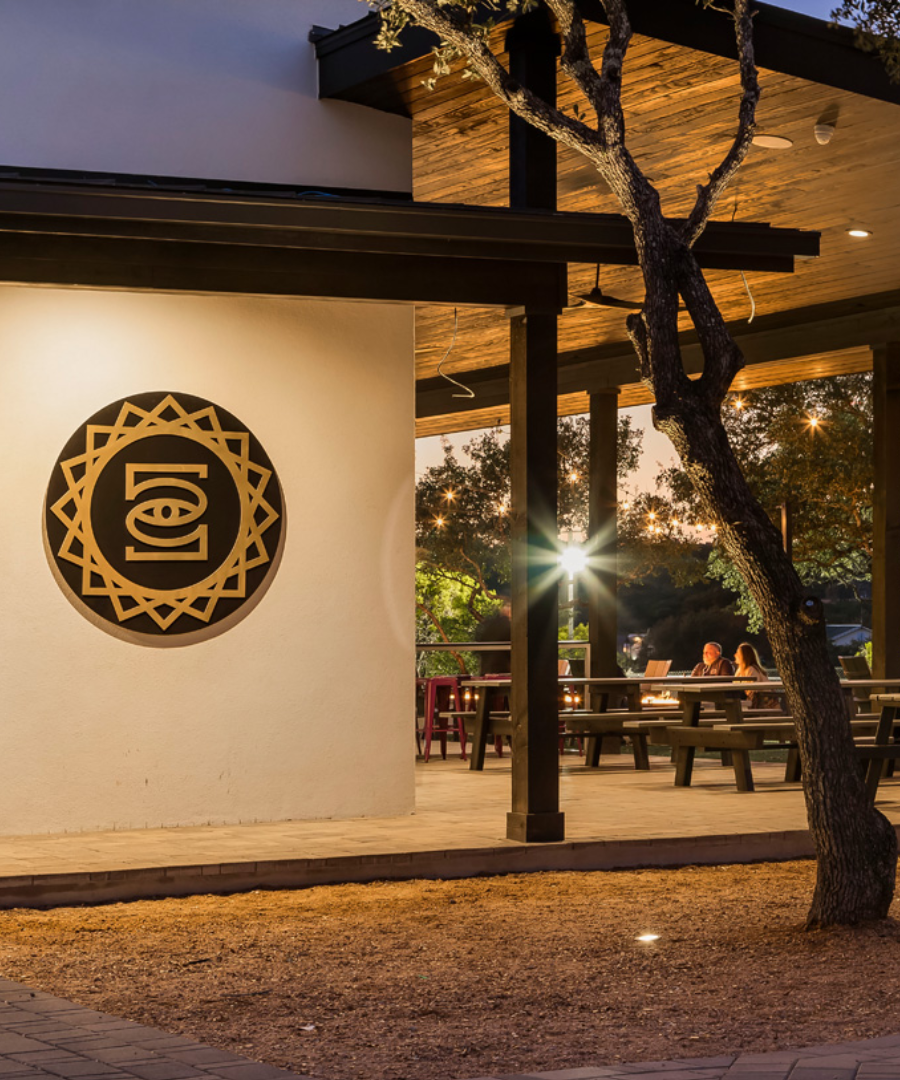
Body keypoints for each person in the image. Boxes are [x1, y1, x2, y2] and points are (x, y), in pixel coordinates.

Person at [734, 642, 780, 710]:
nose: (735, 655)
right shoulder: (740, 670)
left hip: (763, 703)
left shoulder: (751, 669)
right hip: (754, 701)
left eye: (738, 653)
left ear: (744, 656)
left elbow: (753, 691)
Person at [475, 598, 511, 675]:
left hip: (489, 668)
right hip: (500, 668)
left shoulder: (489, 623)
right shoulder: (507, 625)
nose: (508, 609)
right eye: (507, 606)